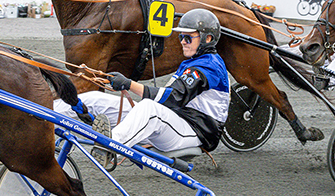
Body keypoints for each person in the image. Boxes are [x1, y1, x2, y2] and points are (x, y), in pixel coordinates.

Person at [58, 9, 230, 167]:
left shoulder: (210, 66)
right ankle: (42, 116)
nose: (182, 42)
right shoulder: (192, 62)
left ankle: (109, 145)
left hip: (195, 133)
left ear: (208, 38)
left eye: (188, 38)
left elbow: (173, 98)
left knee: (149, 108)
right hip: (171, 122)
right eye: (181, 37)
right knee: (93, 98)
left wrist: (128, 84)